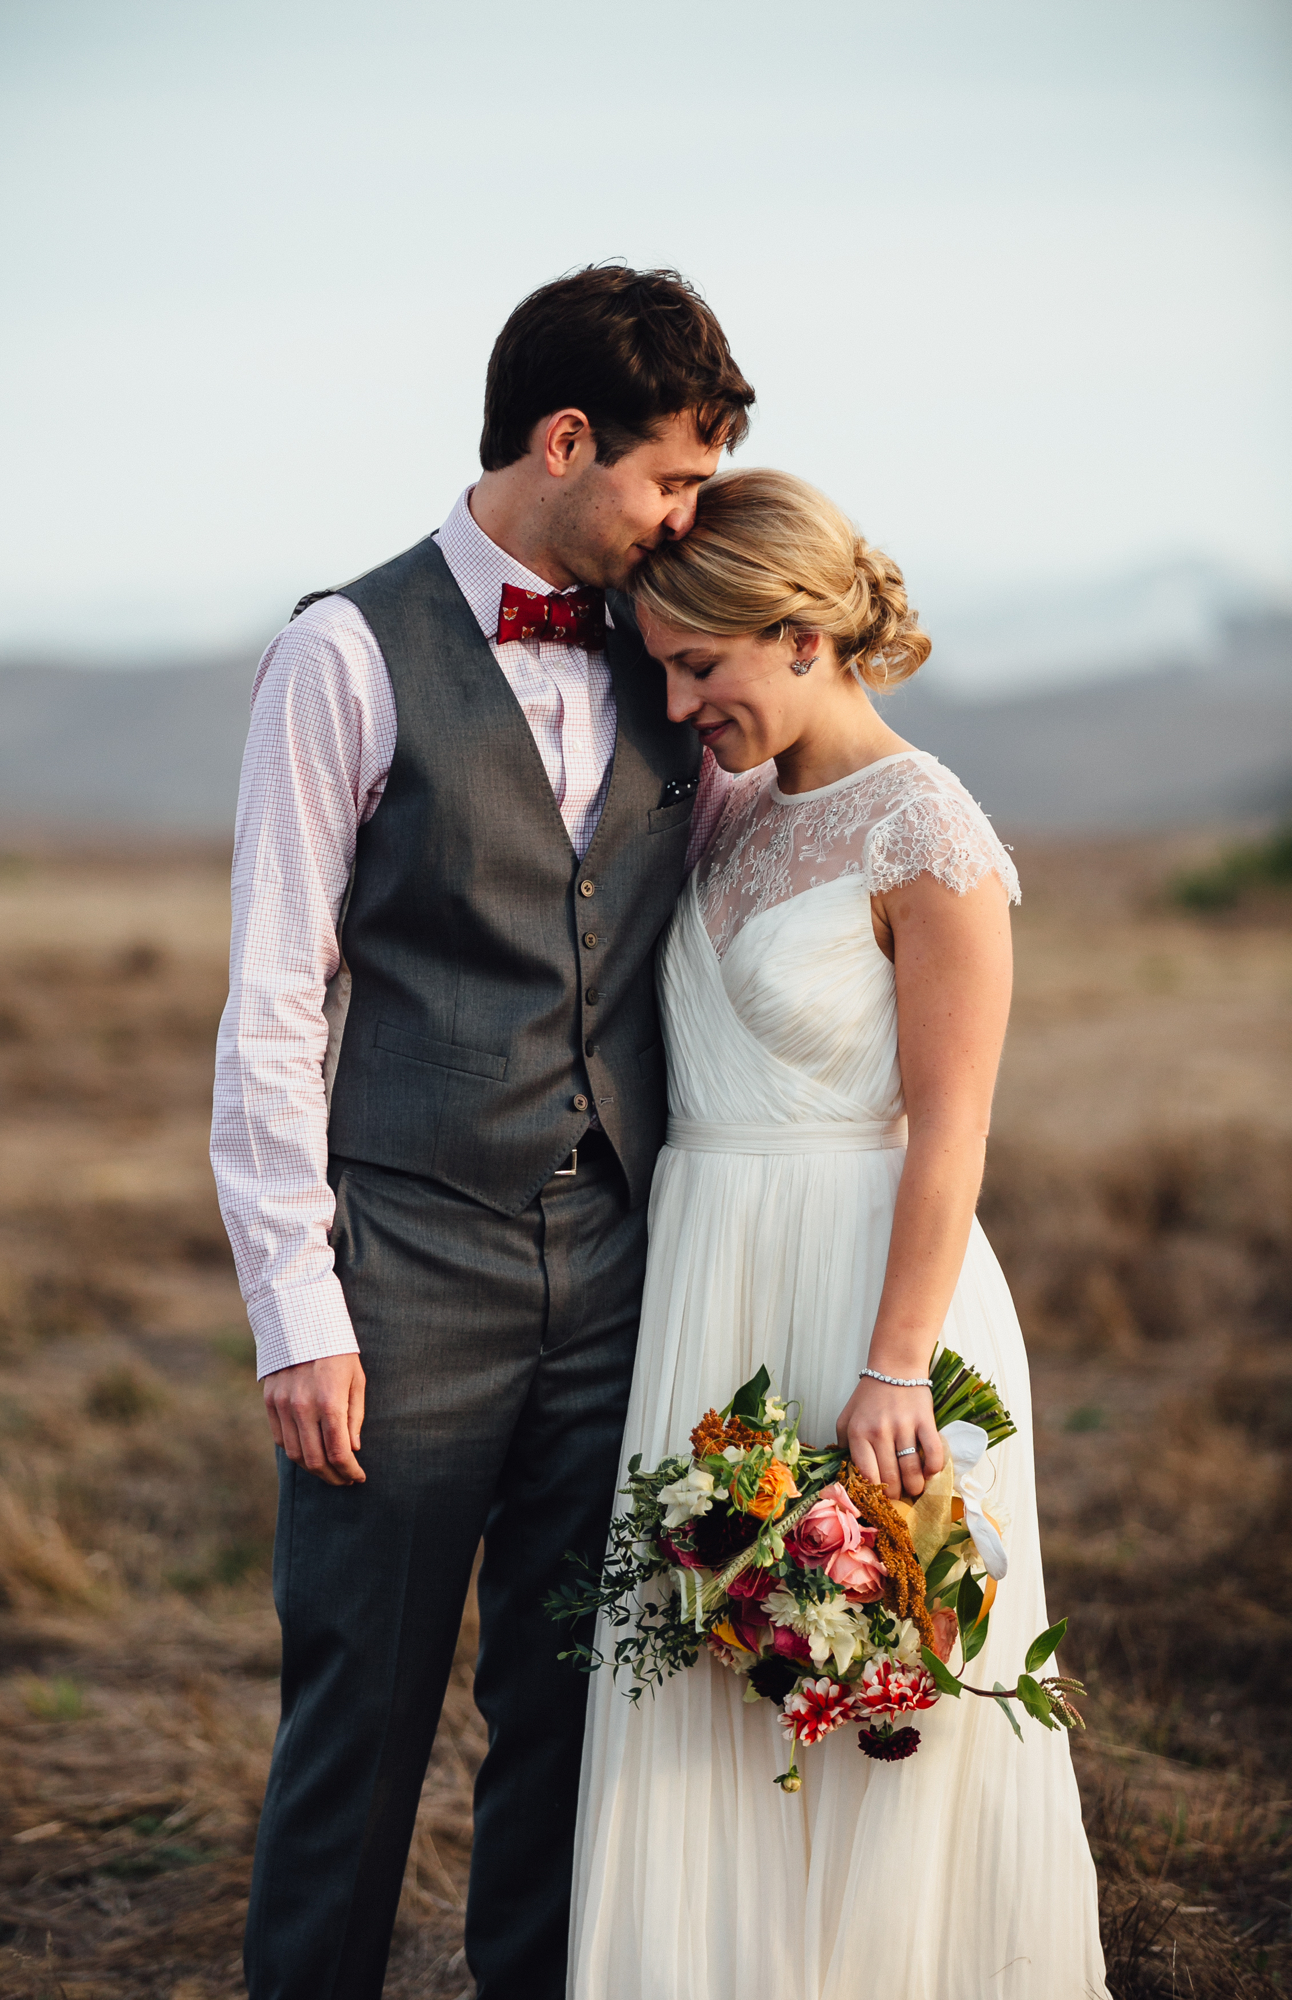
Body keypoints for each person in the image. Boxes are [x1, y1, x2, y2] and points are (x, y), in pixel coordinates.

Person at [210, 264, 755, 2000]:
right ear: (567, 439)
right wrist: (298, 1311)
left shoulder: (666, 656)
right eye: (671, 478)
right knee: (357, 1726)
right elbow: (274, 1005)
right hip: (405, 1280)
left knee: (575, 1714)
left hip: (616, 1274)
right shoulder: (344, 652)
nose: (688, 516)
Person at [569, 470, 1110, 1999]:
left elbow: (951, 1128)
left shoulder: (926, 829)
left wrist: (892, 1368)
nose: (678, 703)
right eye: (662, 667)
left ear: (803, 634)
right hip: (705, 1277)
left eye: (701, 665)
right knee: (704, 1672)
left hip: (869, 1292)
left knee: (867, 1673)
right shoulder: (732, 815)